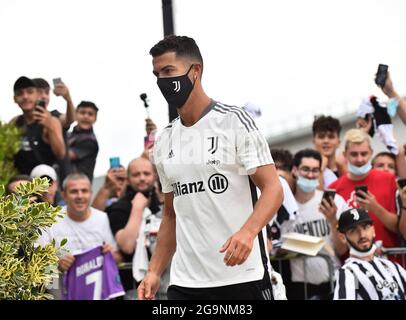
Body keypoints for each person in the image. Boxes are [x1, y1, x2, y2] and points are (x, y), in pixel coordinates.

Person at [137, 35, 283, 300]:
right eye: (157, 74)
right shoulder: (163, 142)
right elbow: (171, 215)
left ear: (195, 71)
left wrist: (248, 232)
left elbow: (273, 188)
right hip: (185, 283)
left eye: (169, 71)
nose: (162, 81)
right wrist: (154, 271)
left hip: (242, 276)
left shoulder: (235, 122)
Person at [37, 173, 122, 299]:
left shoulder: (101, 218)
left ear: (91, 194)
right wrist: (57, 264)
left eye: (84, 191)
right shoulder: (49, 220)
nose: (80, 196)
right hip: (61, 293)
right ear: (64, 195)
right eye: (74, 192)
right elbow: (37, 262)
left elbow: (118, 258)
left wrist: (110, 254)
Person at [286, 149, 348, 300]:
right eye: (305, 169)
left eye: (315, 170)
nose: (310, 175)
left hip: (333, 281)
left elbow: (342, 248)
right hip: (301, 286)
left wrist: (333, 221)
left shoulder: (334, 202)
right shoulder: (286, 207)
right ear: (294, 170)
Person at [329, 129, 400, 254]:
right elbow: (339, 243)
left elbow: (398, 227)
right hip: (353, 264)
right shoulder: (335, 188)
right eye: (354, 154)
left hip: (389, 257)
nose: (360, 159)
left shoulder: (388, 179)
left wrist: (375, 208)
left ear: (371, 153)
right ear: (345, 155)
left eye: (364, 154)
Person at [106, 157, 162, 298]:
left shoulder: (164, 205)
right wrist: (137, 208)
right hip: (132, 287)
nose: (142, 178)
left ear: (155, 176)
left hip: (167, 282)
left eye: (146, 174)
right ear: (128, 179)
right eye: (136, 175)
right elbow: (127, 245)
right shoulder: (117, 208)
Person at [334, 208, 406, 300]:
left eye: (365, 227)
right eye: (353, 230)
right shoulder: (348, 272)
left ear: (373, 231)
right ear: (343, 237)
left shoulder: (394, 267)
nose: (362, 235)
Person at [10, 76, 66, 175]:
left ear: (37, 95)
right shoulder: (14, 123)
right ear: (15, 99)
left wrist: (49, 127)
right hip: (21, 184)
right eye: (20, 93)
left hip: (45, 183)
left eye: (30, 92)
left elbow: (61, 154)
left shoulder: (52, 120)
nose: (25, 97)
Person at [67, 101, 99, 181]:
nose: (86, 116)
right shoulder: (69, 135)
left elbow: (65, 155)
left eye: (90, 114)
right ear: (75, 114)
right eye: (82, 112)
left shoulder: (90, 141)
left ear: (95, 118)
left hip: (78, 185)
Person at [312, 115, 346, 188]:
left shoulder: (346, 168)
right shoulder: (306, 172)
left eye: (331, 137)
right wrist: (320, 169)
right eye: (321, 136)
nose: (326, 141)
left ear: (338, 142)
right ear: (314, 141)